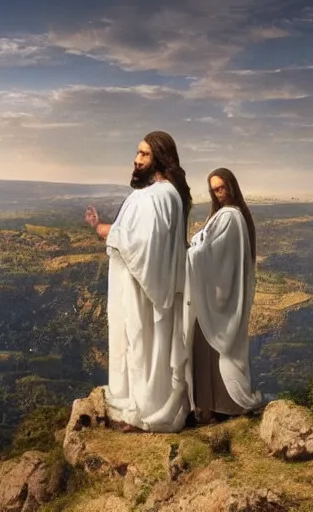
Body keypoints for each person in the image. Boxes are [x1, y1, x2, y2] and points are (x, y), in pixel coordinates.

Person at [84, 131, 193, 433]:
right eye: (137, 152)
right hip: (146, 287)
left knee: (139, 341)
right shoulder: (170, 195)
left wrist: (105, 230)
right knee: (147, 342)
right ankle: (149, 400)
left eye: (144, 154)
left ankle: (144, 405)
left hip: (140, 291)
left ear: (159, 156)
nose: (136, 159)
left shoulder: (155, 196)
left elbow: (142, 246)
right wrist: (104, 227)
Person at [184, 167, 263, 424]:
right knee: (205, 348)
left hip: (216, 302)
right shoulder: (235, 216)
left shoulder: (229, 217)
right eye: (214, 190)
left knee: (207, 347)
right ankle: (210, 408)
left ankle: (216, 407)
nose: (219, 194)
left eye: (222, 188)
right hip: (219, 298)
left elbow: (209, 252)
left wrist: (188, 249)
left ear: (231, 186)